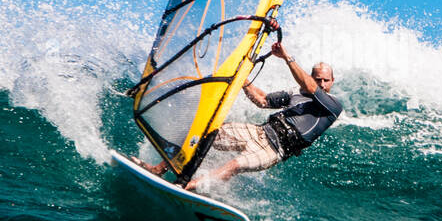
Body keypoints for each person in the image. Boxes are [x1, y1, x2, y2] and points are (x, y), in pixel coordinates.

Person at [142, 42, 341, 191]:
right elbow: (262, 100)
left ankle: (185, 188)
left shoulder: (333, 106)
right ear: (312, 76)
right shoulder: (294, 94)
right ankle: (160, 168)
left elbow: (309, 86)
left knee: (234, 165)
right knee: (205, 132)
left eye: (326, 80)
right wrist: (243, 79)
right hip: (259, 132)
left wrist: (286, 56)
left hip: (275, 149)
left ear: (332, 81)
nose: (322, 84)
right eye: (318, 79)